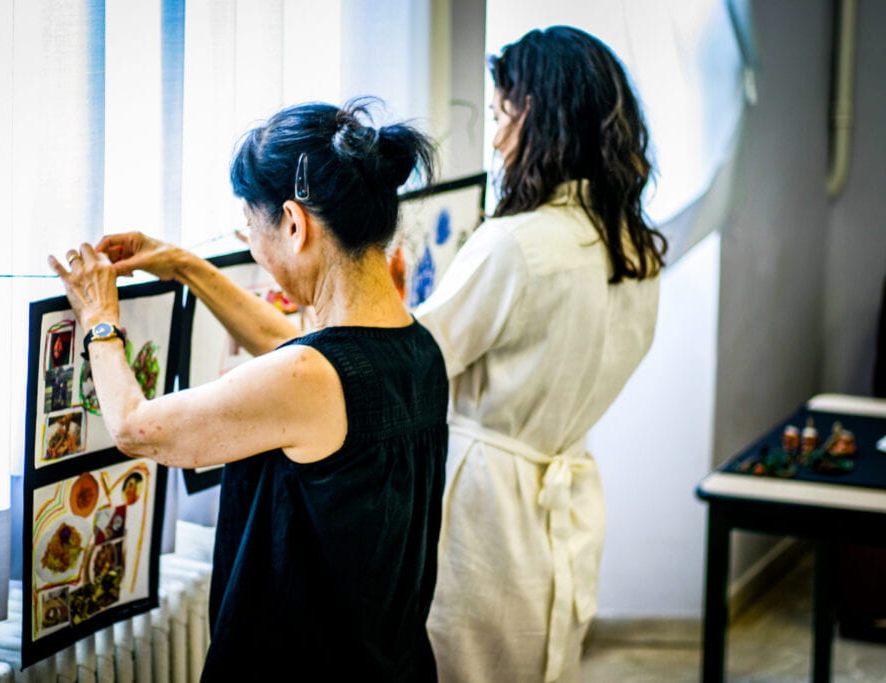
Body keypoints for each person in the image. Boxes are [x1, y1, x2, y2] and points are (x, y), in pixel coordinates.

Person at [48, 100, 448, 681]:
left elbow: (136, 428)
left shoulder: (311, 378)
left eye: (251, 226)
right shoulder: (415, 347)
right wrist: (184, 265)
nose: (253, 244)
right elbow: (283, 345)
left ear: (293, 222)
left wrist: (98, 317)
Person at [415, 27, 667, 682]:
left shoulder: (517, 244)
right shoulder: (635, 249)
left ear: (544, 119)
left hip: (484, 505)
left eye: (502, 116)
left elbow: (416, 360)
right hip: (568, 493)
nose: (495, 138)